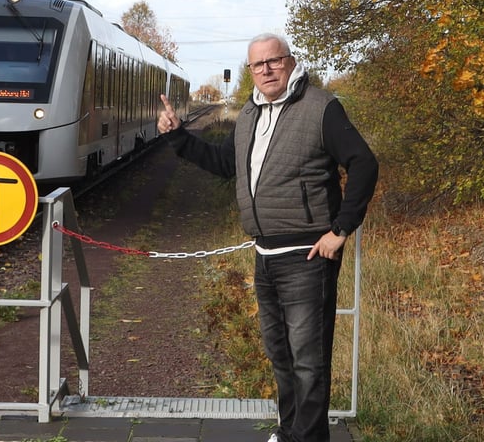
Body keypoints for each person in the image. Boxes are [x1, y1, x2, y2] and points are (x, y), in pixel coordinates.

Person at [157, 33, 378, 442]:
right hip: (265, 253)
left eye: (273, 61)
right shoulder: (249, 114)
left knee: (308, 359)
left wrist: (340, 229)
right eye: (257, 65)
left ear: (290, 62)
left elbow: (364, 163)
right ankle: (291, 431)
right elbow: (227, 165)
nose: (266, 70)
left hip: (308, 255)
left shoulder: (321, 108)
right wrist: (178, 138)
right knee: (281, 355)